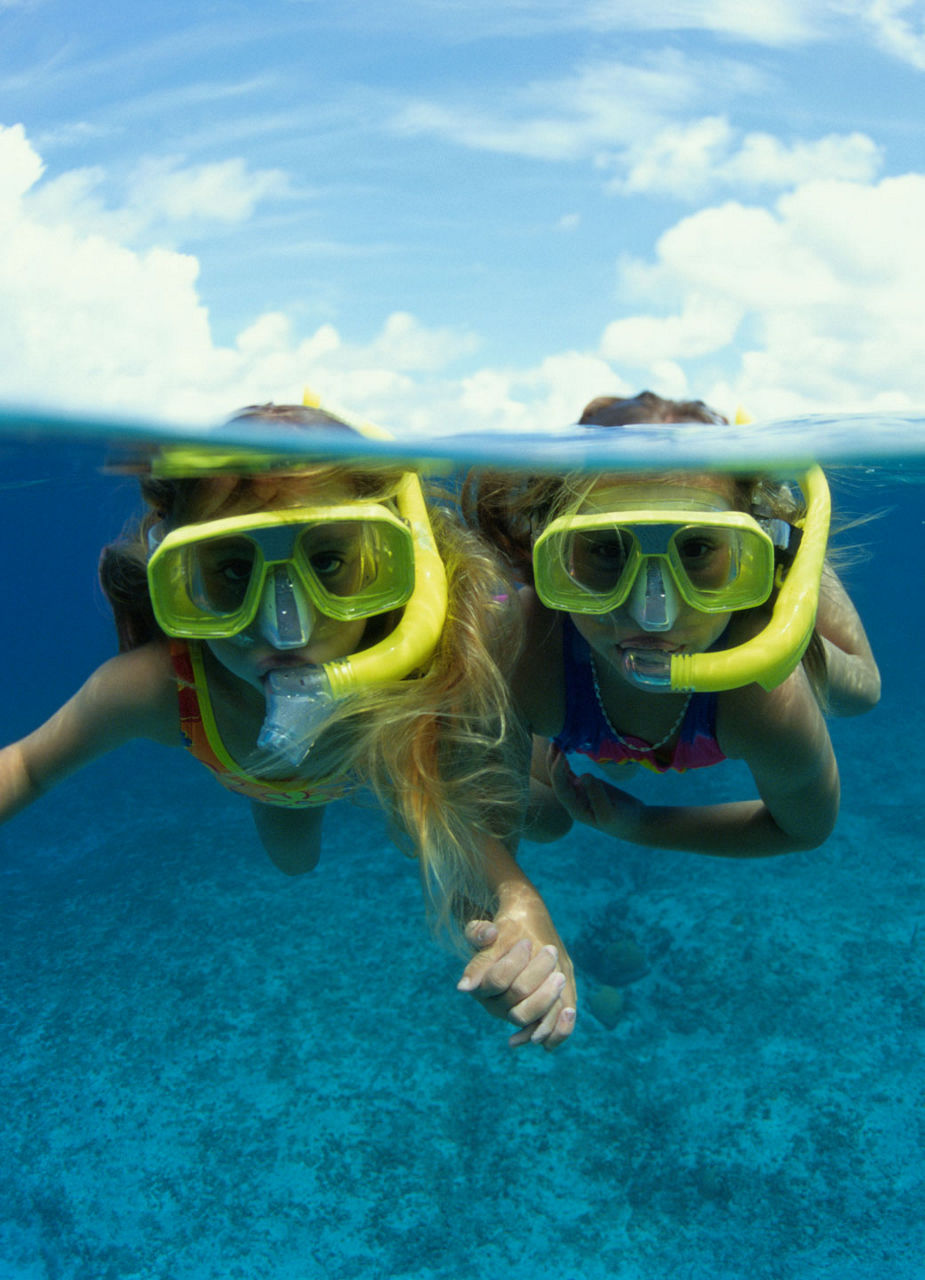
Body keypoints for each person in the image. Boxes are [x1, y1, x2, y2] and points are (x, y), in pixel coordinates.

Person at [0, 403, 575, 1048]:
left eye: (327, 563)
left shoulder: (405, 683)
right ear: (180, 577)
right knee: (293, 861)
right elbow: (25, 764)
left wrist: (517, 907)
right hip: (272, 783)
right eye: (233, 569)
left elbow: (448, 827)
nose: (285, 626)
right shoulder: (160, 688)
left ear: (388, 562)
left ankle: (522, 750)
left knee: (537, 816)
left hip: (400, 758)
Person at [464, 391, 880, 855]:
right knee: (545, 821)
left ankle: (792, 554)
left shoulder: (766, 698)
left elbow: (803, 828)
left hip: (748, 630)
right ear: (556, 554)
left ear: (748, 553)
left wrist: (643, 823)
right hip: (583, 701)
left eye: (697, 548)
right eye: (606, 548)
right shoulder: (523, 644)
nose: (652, 614)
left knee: (860, 693)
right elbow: (485, 818)